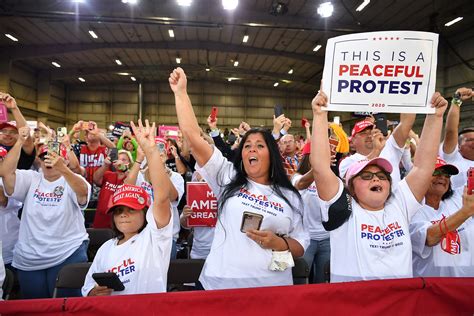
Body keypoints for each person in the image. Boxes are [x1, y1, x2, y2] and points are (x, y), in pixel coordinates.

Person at [169, 67, 308, 290]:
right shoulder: (227, 177)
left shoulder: (290, 195)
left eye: (260, 146)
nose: (251, 149)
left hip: (271, 287)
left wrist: (278, 242)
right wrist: (181, 93)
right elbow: (194, 138)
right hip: (220, 284)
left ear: (272, 154)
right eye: (247, 146)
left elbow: (300, 244)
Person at [310, 88, 447, 282]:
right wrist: (319, 114)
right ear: (351, 188)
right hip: (355, 306)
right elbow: (320, 168)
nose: (376, 179)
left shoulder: (400, 204)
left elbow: (424, 168)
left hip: (399, 304)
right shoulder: (344, 208)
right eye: (366, 176)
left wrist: (435, 116)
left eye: (382, 176)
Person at [82, 120, 173, 296]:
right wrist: (95, 292)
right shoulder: (106, 248)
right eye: (118, 211)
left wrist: (151, 151)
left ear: (145, 213)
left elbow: (162, 198)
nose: (123, 215)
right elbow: (87, 288)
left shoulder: (155, 238)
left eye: (131, 209)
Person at [0, 126, 91, 298]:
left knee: (66, 306)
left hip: (67, 252)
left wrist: (63, 169)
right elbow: (5, 173)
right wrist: (20, 141)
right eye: (44, 157)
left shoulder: (72, 180)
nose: (49, 161)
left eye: (54, 157)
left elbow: (83, 193)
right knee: (33, 307)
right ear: (39, 161)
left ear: (64, 159)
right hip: (30, 257)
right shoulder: (31, 178)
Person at [410, 158, 474, 277]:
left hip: (468, 287)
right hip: (435, 290)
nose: (443, 177)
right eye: (436, 172)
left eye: (447, 175)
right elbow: (430, 237)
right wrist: (465, 213)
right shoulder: (410, 210)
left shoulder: (458, 198)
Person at [291, 143, 330, 283]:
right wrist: (319, 167)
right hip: (305, 239)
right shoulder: (296, 177)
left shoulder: (329, 178)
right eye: (318, 155)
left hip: (327, 239)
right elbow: (301, 184)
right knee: (300, 281)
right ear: (308, 157)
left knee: (322, 282)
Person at [440, 87, 474, 189]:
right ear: (458, 146)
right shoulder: (452, 157)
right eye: (470, 140)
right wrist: (456, 100)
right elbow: (451, 130)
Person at [92, 149, 134, 228]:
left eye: (123, 160)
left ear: (129, 163)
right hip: (102, 220)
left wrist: (124, 169)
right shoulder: (108, 174)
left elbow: (134, 183)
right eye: (118, 159)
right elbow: (96, 179)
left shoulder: (132, 177)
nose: (120, 161)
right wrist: (105, 165)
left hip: (122, 222)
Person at [0, 92, 36, 170]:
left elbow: (25, 133)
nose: (7, 134)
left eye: (13, 132)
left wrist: (14, 108)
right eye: (4, 131)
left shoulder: (22, 151)